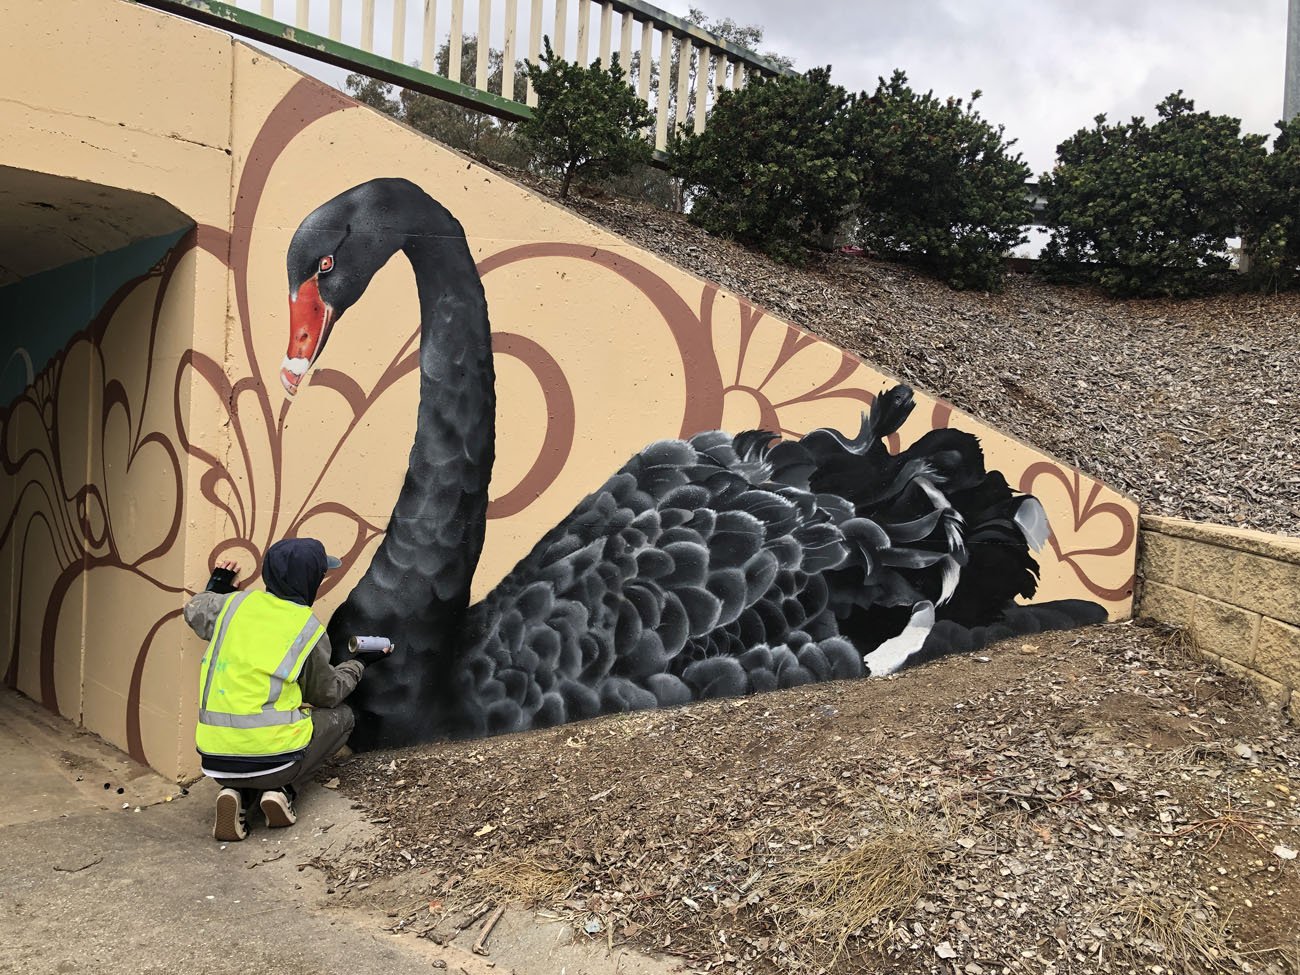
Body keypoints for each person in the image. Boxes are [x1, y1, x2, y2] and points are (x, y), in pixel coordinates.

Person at [182, 538, 386, 842]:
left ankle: (236, 793)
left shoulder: (233, 605)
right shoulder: (306, 627)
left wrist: (220, 582)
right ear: (311, 580)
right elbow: (326, 695)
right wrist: (359, 664)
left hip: (214, 759)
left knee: (254, 744)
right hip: (276, 760)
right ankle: (282, 791)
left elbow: (194, 610)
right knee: (342, 717)